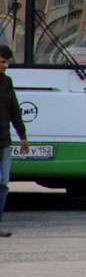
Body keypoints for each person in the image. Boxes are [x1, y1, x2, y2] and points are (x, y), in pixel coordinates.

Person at [0, 43, 29, 237]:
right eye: (2, 62)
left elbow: (14, 111)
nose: (5, 66)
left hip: (3, 143)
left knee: (3, 184)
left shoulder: (6, 82)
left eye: (7, 62)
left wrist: (23, 136)